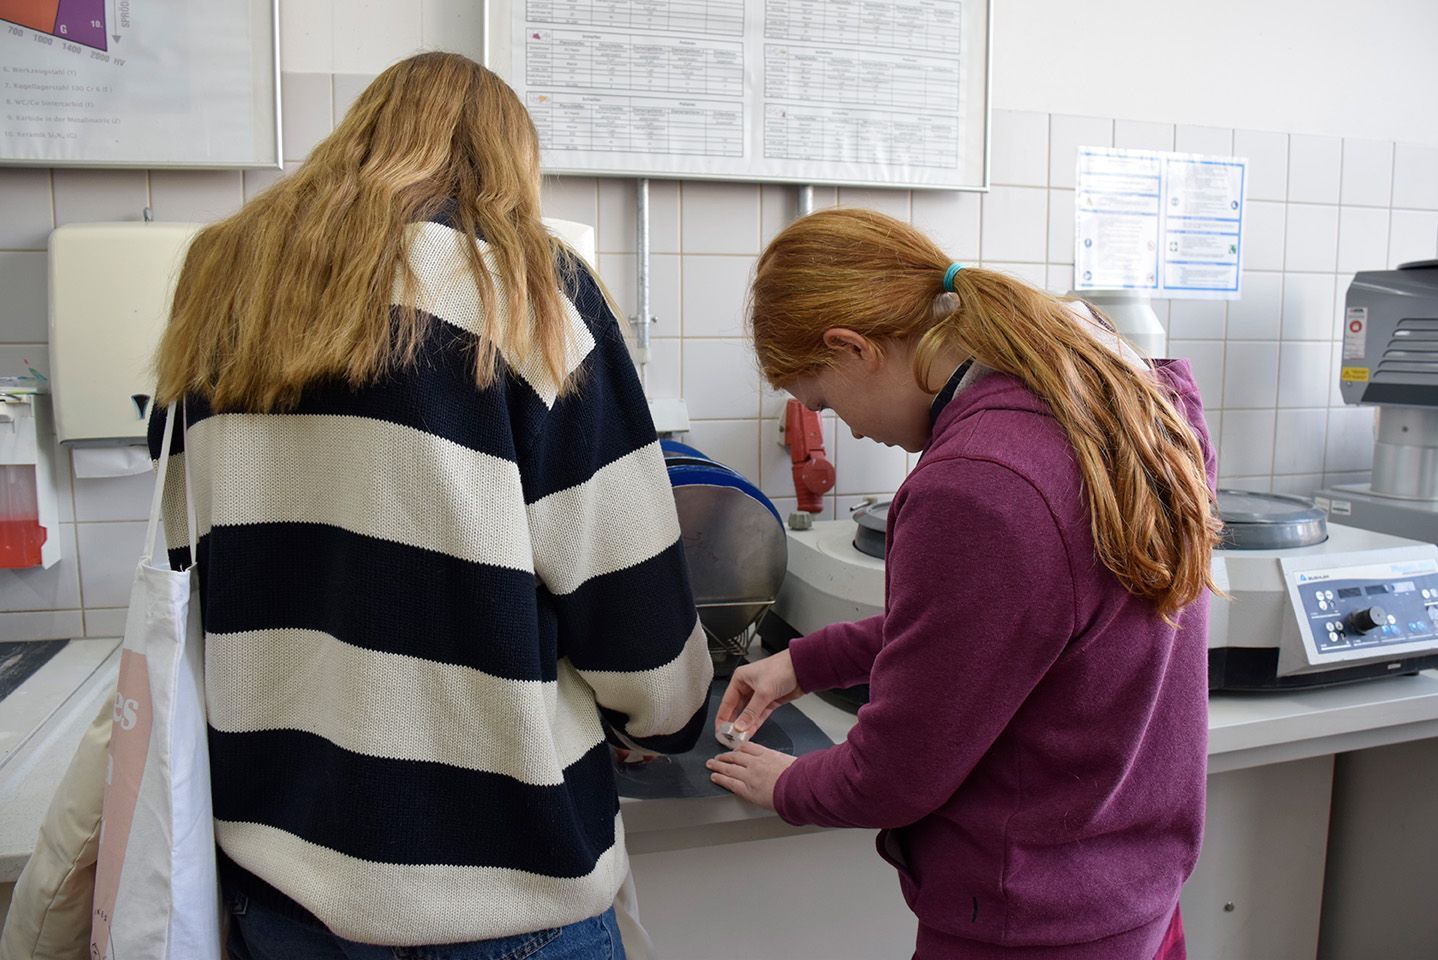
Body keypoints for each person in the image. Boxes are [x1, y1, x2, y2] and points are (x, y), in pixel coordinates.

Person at [147, 52, 712, 959]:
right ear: (507, 164)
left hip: (278, 889)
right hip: (497, 897)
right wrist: (667, 720)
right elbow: (631, 600)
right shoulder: (524, 287)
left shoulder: (225, 291)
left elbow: (184, 558)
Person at [709, 208, 1217, 960]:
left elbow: (897, 772)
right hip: (1135, 899)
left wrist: (788, 784)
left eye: (823, 402)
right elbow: (1013, 624)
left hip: (1030, 928)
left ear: (852, 348)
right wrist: (806, 661)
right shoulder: (1128, 396)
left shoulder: (977, 484)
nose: (841, 426)